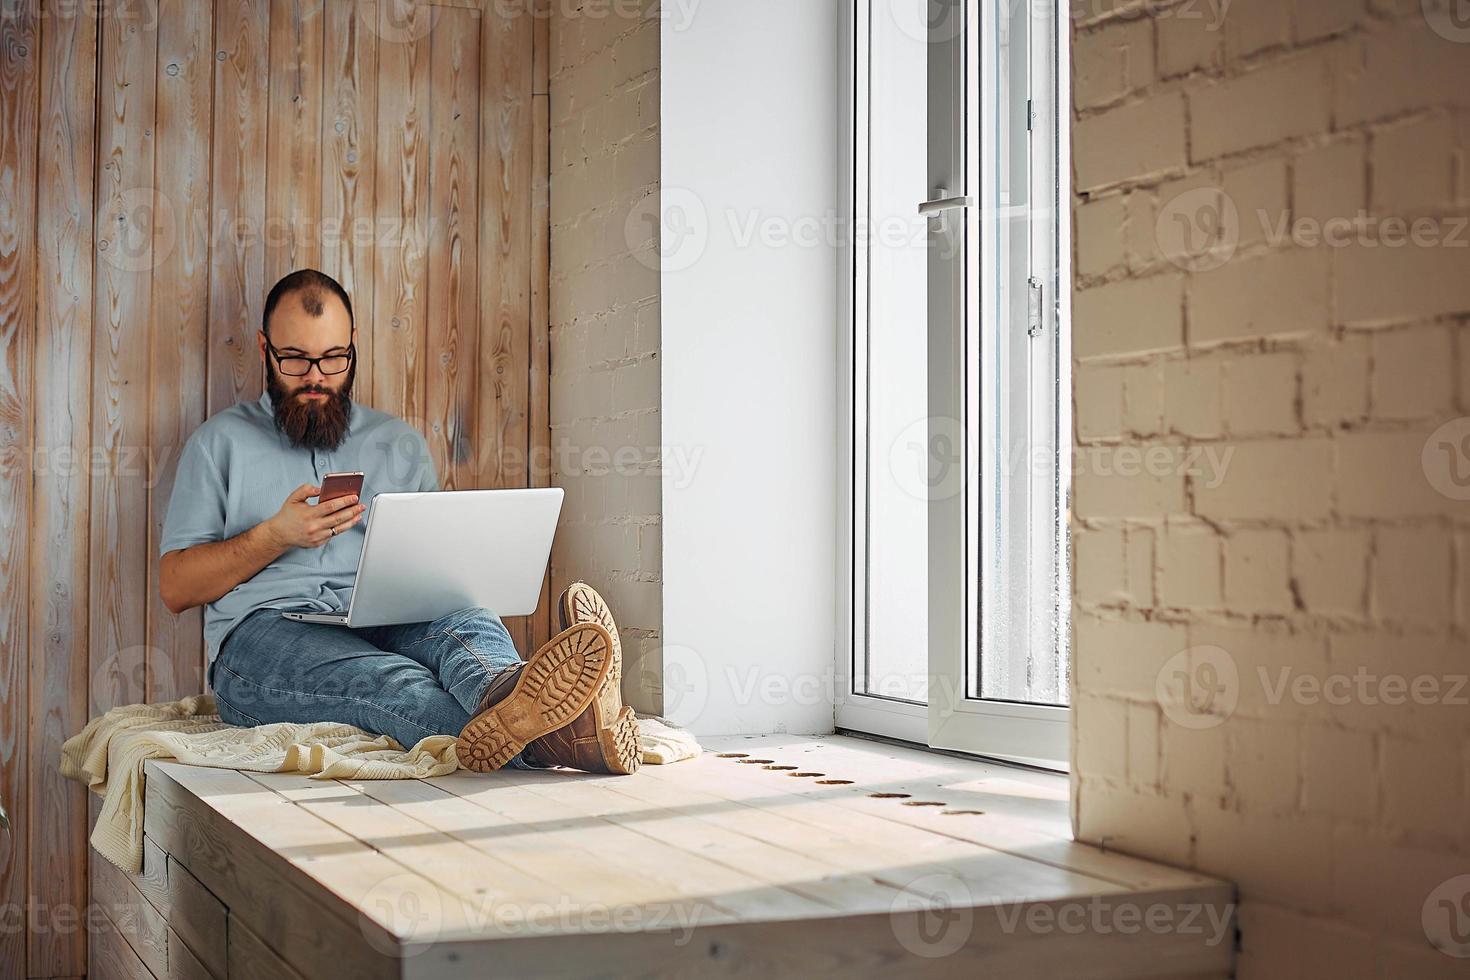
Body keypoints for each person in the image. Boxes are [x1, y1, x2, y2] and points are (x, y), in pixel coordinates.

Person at [157, 268, 639, 775]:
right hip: (266, 636)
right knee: (395, 681)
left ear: (354, 345)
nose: (317, 376)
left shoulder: (398, 443)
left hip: (386, 618)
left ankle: (512, 693)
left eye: (334, 358)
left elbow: (434, 573)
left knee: (468, 624)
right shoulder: (218, 444)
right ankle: (567, 733)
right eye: (295, 360)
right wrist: (275, 536)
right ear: (264, 349)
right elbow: (176, 588)